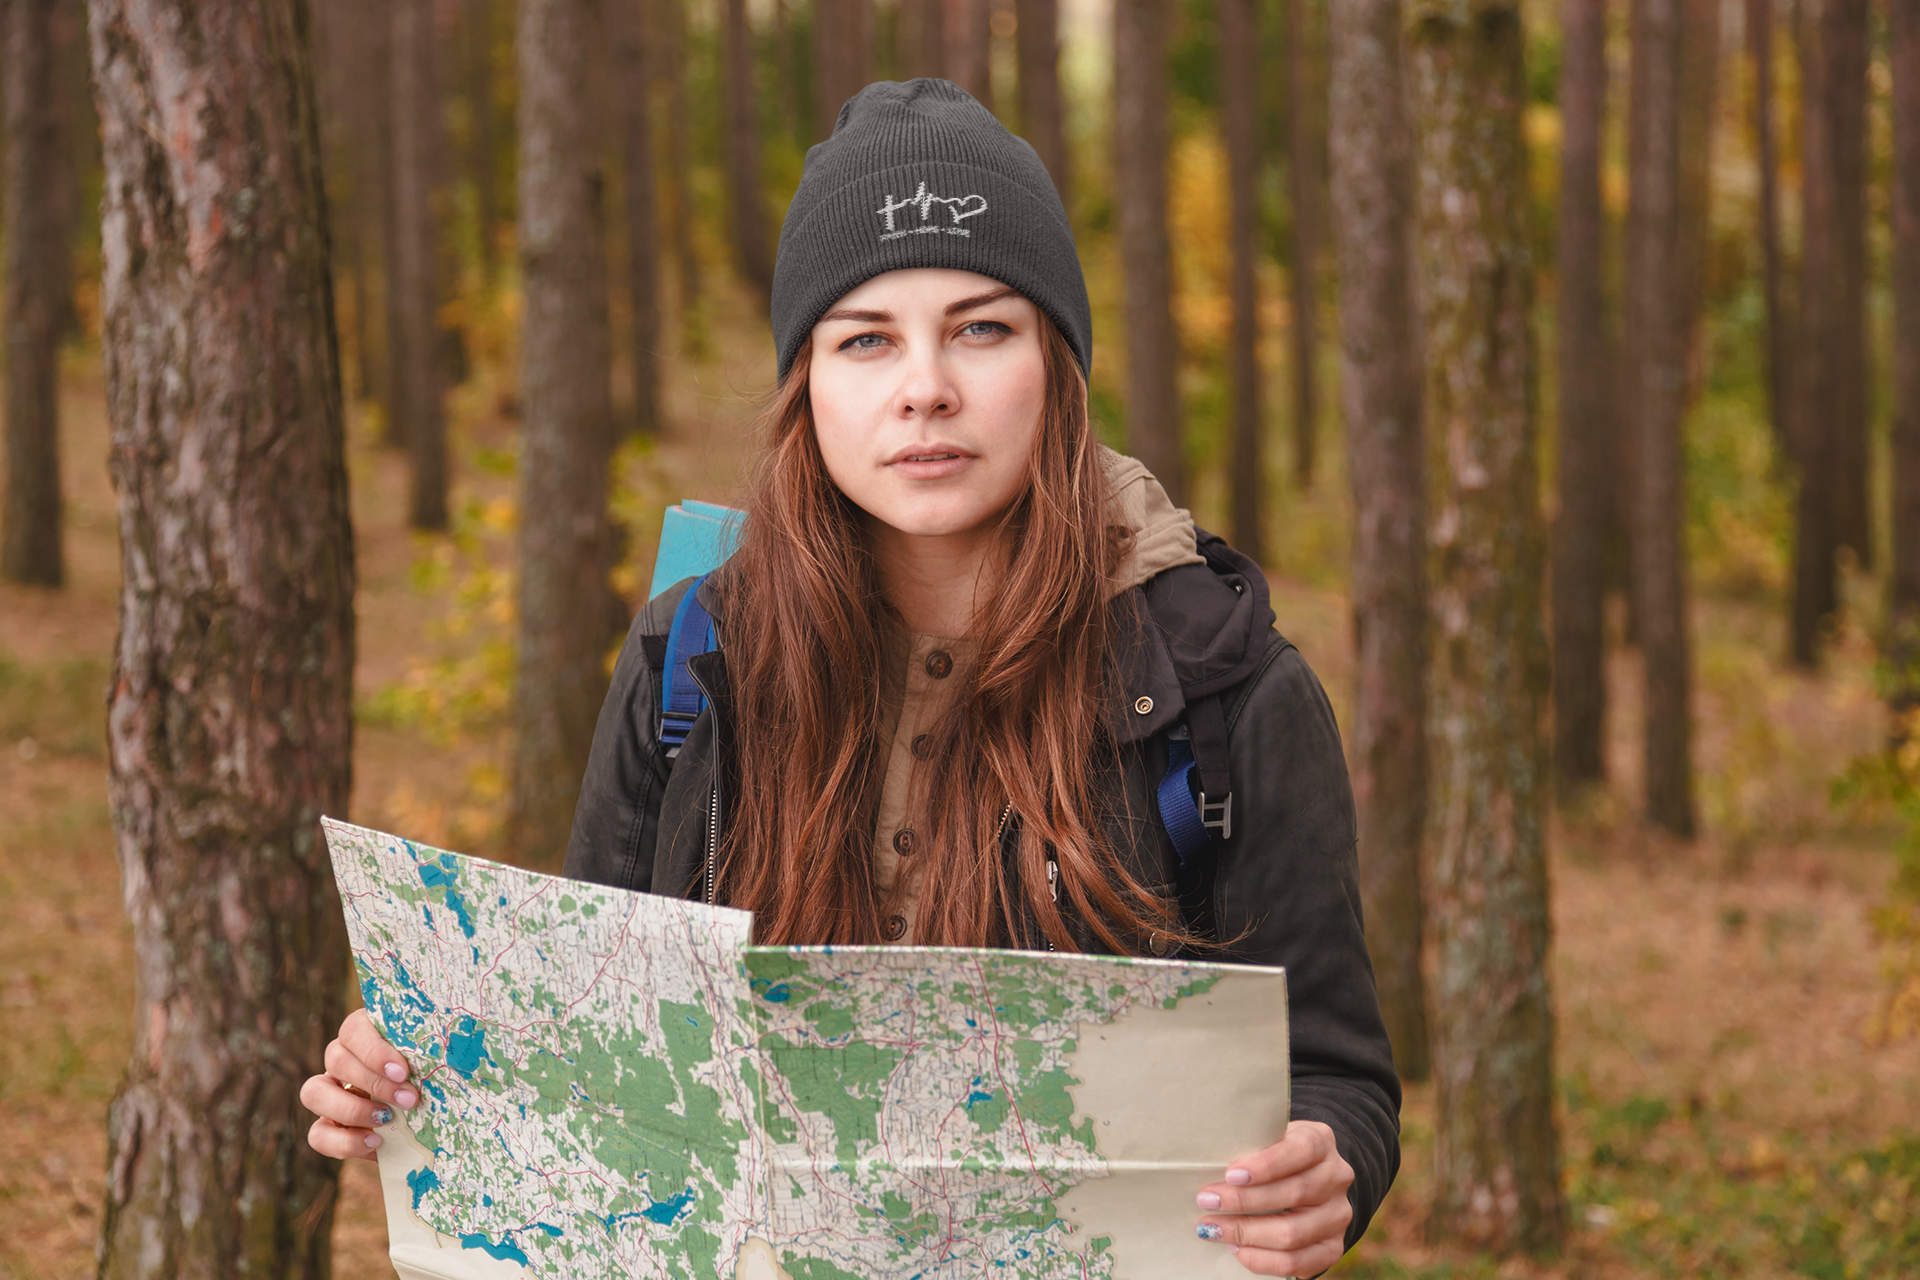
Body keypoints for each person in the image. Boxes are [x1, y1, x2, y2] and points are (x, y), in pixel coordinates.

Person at [302, 79, 1399, 1277]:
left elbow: (1336, 1074)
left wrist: (1322, 1166)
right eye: (866, 338)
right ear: (807, 384)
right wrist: (417, 1076)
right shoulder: (690, 658)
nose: (924, 385)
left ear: (1057, 364)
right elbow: (596, 1051)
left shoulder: (1220, 685)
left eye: (982, 327)